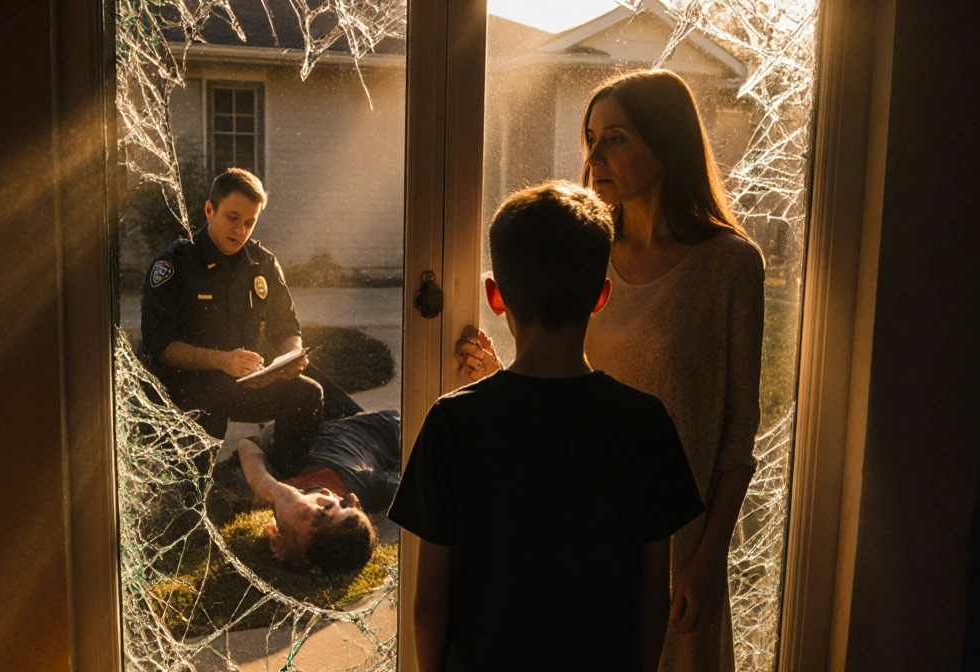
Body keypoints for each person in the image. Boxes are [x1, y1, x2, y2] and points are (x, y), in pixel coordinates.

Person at [455, 71, 765, 671]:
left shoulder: (731, 265)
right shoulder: (587, 252)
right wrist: (501, 374)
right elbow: (568, 378)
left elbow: (738, 433)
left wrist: (707, 560)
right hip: (582, 530)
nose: (594, 157)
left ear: (666, 143)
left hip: (678, 546)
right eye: (591, 139)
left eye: (615, 139)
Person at [390, 182, 705, 671]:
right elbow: (651, 603)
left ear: (495, 296)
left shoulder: (452, 423)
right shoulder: (645, 424)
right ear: (601, 296)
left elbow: (429, 605)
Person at [141, 168, 323, 477]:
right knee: (206, 413)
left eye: (250, 222)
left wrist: (290, 356)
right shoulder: (174, 264)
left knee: (307, 394)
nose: (240, 230)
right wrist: (222, 360)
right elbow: (161, 346)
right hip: (187, 384)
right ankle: (196, 490)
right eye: (232, 217)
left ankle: (277, 483)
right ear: (209, 210)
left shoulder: (262, 263)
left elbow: (287, 328)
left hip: (242, 381)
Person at [230, 409, 401, 573]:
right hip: (385, 428)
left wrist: (273, 489)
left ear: (278, 542)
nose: (335, 496)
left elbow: (247, 445)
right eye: (345, 503)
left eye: (325, 510)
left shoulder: (259, 487)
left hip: (338, 424)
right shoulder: (360, 481)